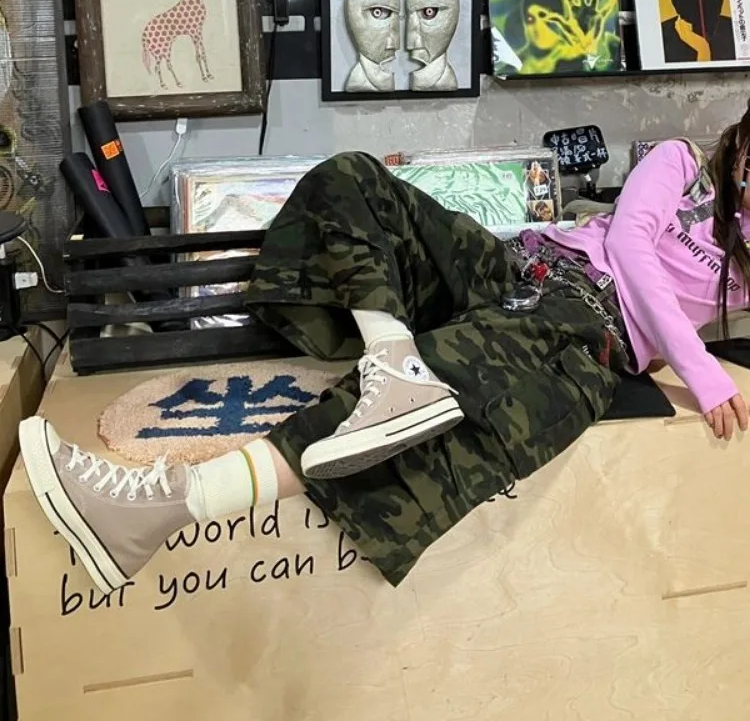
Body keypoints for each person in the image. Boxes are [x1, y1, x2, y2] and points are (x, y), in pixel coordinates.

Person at [19, 107, 750, 596]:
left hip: (589, 330)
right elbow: (630, 244)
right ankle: (393, 364)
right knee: (353, 179)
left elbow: (651, 309)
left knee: (469, 371)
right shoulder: (680, 161)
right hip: (524, 266)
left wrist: (683, 363)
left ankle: (162, 507)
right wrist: (703, 372)